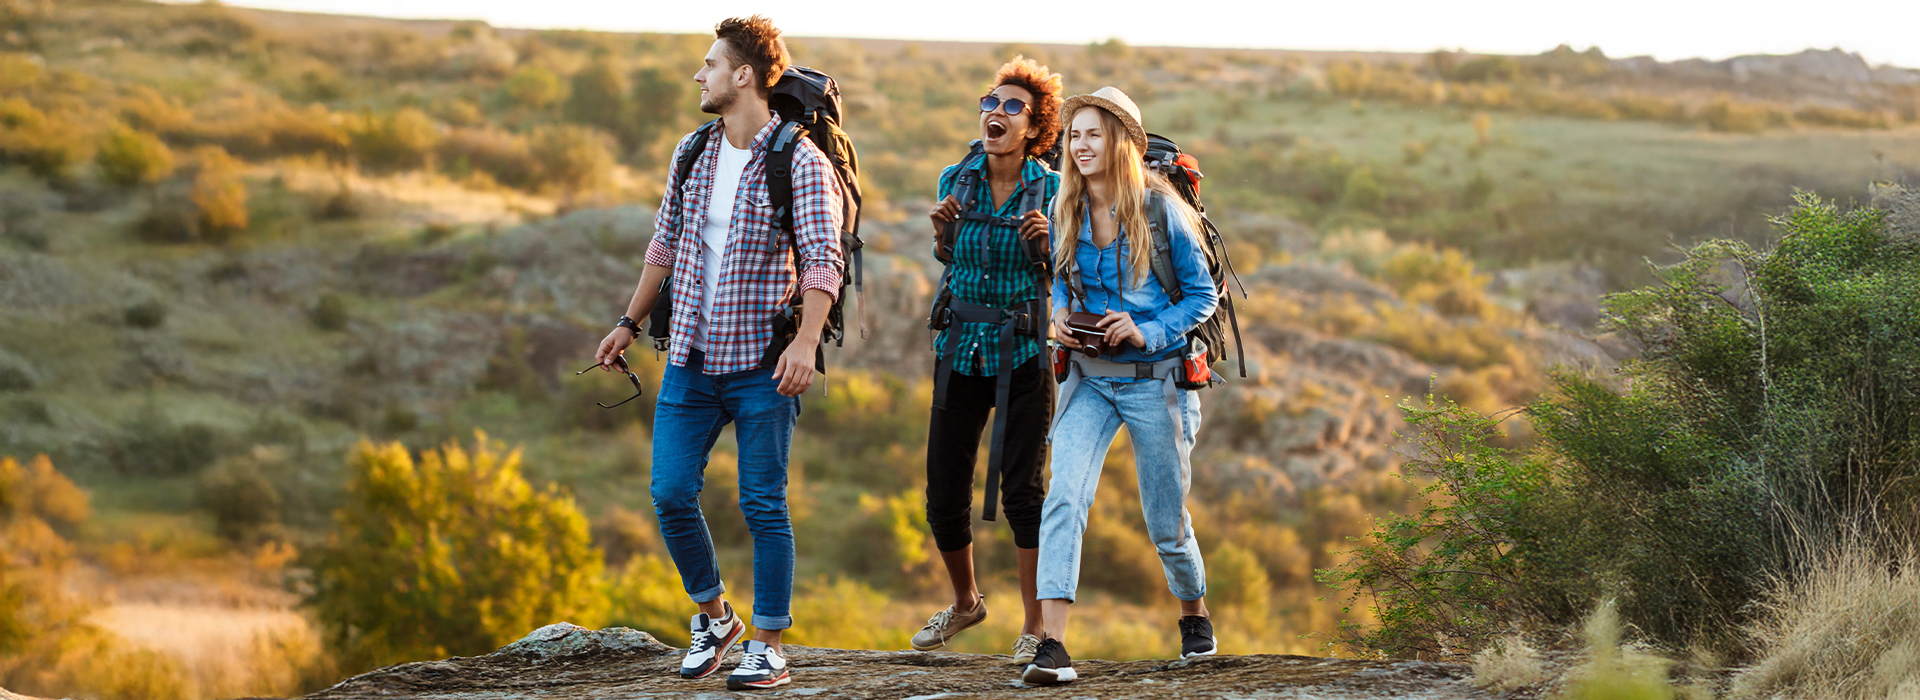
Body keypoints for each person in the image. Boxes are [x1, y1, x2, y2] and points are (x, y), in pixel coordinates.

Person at [592, 15, 843, 691]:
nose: (697, 75)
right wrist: (628, 322)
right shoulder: (692, 151)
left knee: (763, 504)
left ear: (744, 76)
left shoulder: (800, 159)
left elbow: (824, 260)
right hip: (691, 359)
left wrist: (805, 342)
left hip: (765, 364)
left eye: (709, 64)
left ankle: (769, 646)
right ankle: (714, 616)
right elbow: (664, 246)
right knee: (670, 492)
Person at [1022, 86, 1220, 686]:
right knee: (1063, 499)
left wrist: (1146, 327)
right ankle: (1051, 645)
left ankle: (1194, 612)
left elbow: (1203, 297)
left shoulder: (1162, 212)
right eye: (1074, 135)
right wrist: (1058, 315)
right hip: (1088, 377)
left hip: (1156, 382)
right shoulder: (1066, 207)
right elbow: (1059, 279)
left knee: (1165, 521)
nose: (1080, 146)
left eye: (1094, 134)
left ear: (1122, 144)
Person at [912, 57, 1063, 664]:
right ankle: (967, 602)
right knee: (943, 492)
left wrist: (1046, 244)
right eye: (988, 102)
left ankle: (1033, 627)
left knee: (1024, 492)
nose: (994, 114)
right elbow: (952, 259)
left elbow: (1074, 275)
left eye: (1010, 107)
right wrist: (942, 234)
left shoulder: (1054, 190)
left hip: (1025, 351)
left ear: (1034, 127)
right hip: (959, 349)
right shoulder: (957, 177)